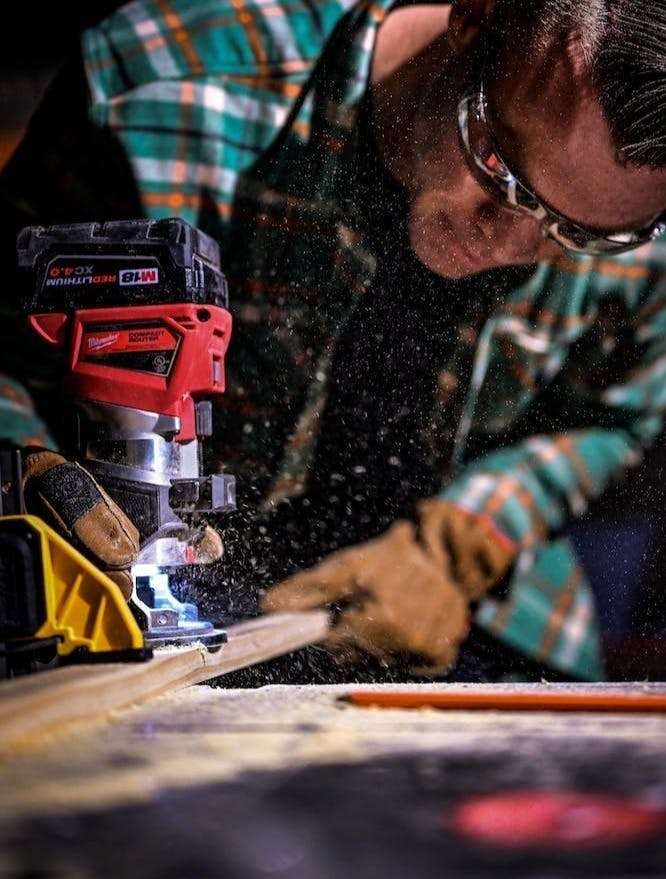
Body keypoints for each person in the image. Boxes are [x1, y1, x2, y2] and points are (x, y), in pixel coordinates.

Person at [1, 0, 666, 683]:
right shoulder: (160, 93)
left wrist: (456, 543)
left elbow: (617, 413)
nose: (511, 243)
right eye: (500, 167)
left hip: (477, 619)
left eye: (577, 235)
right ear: (472, 17)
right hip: (157, 611)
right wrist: (21, 464)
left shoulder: (641, 223)